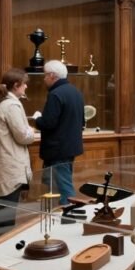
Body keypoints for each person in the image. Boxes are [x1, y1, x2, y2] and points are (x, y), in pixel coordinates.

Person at [0, 68, 36, 233]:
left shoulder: (0, 103)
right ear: (16, 85)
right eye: (24, 84)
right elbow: (23, 136)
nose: (26, 87)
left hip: (4, 162)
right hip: (10, 164)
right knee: (7, 210)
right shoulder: (12, 105)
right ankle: (0, 246)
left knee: (4, 209)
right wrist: (32, 131)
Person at [34, 60, 84, 205]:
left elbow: (48, 123)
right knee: (53, 182)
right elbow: (82, 121)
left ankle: (70, 216)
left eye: (45, 76)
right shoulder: (75, 91)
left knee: (64, 187)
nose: (44, 79)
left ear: (52, 76)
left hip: (58, 149)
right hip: (70, 146)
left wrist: (37, 119)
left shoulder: (55, 94)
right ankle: (59, 215)